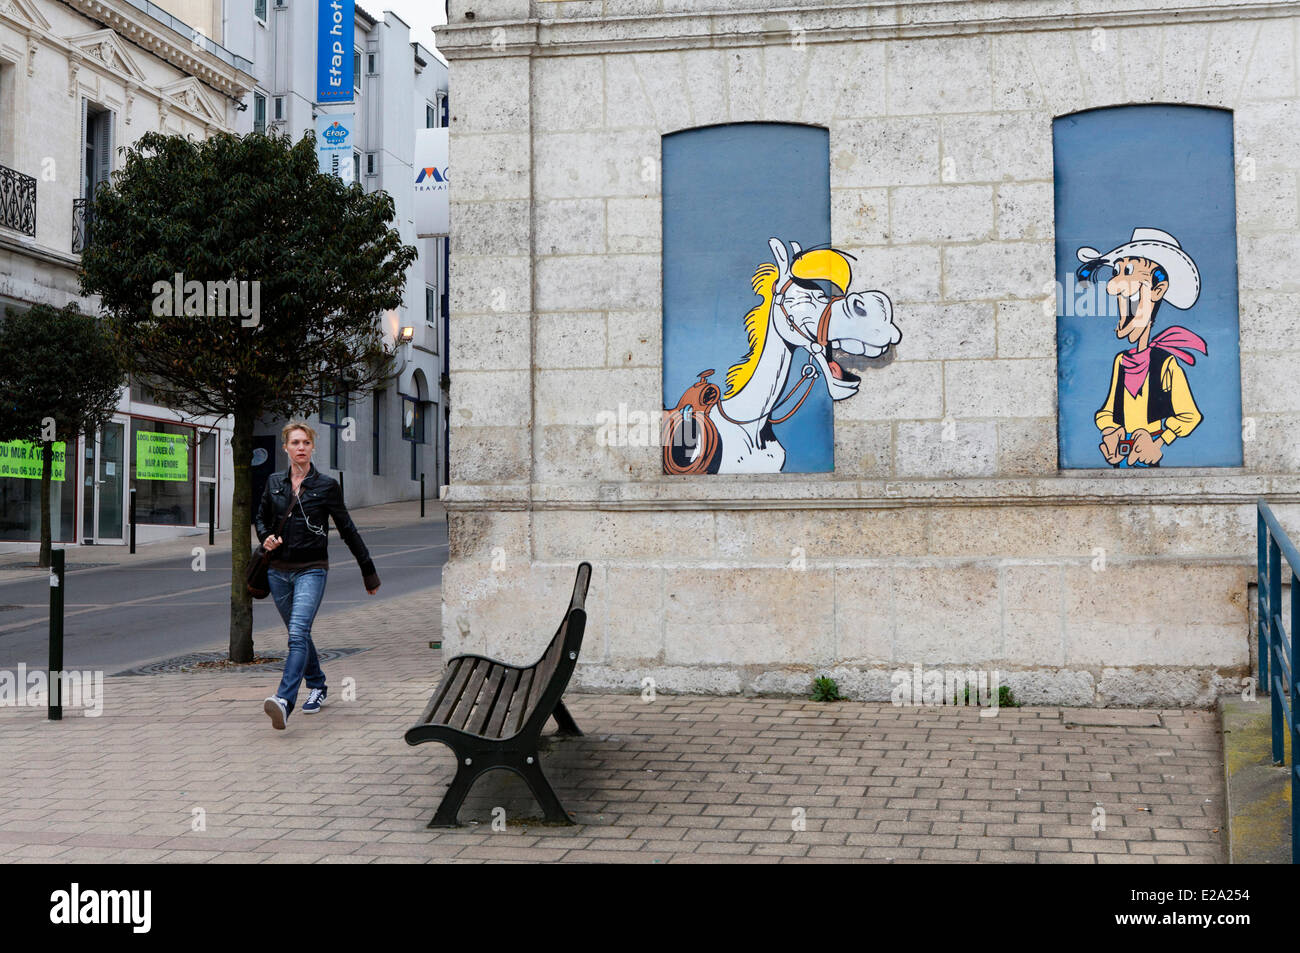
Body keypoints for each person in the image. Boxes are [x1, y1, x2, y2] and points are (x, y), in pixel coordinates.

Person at [255, 421, 380, 729]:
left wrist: (368, 572)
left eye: (305, 443)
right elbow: (261, 518)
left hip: (312, 569)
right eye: (295, 442)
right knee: (300, 634)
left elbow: (348, 529)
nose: (300, 447)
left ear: (312, 447)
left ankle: (284, 700)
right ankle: (318, 685)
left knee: (297, 633)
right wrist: (266, 536)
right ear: (285, 447)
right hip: (277, 572)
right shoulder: (273, 482)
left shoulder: (326, 486)